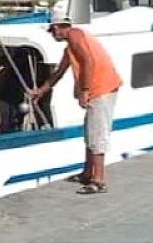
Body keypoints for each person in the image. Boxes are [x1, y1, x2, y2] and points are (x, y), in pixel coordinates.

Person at [31, 13, 123, 194]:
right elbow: (58, 73)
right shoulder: (69, 48)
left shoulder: (74, 34)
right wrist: (40, 92)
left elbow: (88, 61)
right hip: (98, 89)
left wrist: (85, 91)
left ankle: (99, 180)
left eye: (51, 30)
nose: (51, 34)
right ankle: (87, 173)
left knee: (97, 134)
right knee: (90, 133)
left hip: (100, 89)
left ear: (58, 27)